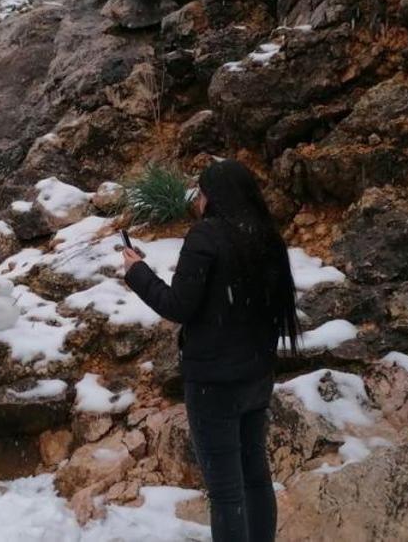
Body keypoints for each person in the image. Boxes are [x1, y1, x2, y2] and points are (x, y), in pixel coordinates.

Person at [122, 159, 299, 542]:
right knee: (255, 477)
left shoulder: (206, 237)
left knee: (225, 492)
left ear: (213, 197)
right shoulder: (266, 235)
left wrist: (137, 272)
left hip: (214, 386)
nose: (198, 202)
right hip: (257, 377)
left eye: (201, 194)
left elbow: (178, 306)